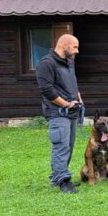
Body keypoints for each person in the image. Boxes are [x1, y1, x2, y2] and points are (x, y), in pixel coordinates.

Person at [36, 34, 83, 194]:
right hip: (58, 113)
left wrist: (78, 99)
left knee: (68, 146)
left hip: (72, 112)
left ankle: (59, 176)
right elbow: (46, 90)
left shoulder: (68, 62)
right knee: (61, 147)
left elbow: (73, 84)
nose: (77, 51)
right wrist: (66, 104)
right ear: (64, 45)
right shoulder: (46, 63)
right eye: (74, 47)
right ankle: (63, 181)